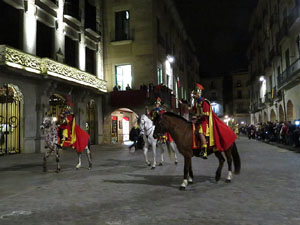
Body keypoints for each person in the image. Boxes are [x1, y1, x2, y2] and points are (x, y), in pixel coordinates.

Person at [190, 83, 236, 159]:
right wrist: (183, 105)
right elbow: (192, 110)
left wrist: (197, 116)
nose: (194, 96)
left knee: (200, 133)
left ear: (198, 93)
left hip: (205, 122)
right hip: (199, 121)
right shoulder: (197, 103)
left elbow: (207, 114)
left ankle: (204, 151)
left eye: (194, 94)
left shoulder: (205, 102)